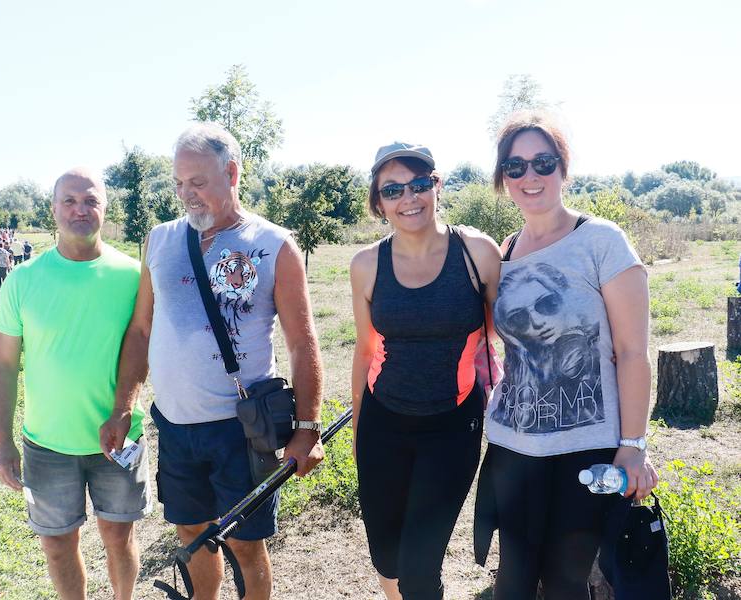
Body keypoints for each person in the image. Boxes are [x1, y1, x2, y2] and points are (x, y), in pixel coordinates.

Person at [110, 123, 324, 600]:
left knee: (246, 546)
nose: (187, 195)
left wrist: (308, 427)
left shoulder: (273, 245)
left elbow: (302, 341)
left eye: (198, 182)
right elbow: (141, 330)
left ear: (231, 173)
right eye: (179, 184)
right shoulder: (160, 240)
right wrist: (126, 405)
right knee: (191, 533)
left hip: (240, 430)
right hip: (176, 427)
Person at [475, 111, 658, 600]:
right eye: (515, 167)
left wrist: (633, 445)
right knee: (511, 583)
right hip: (513, 448)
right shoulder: (504, 254)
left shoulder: (602, 241)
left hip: (587, 450)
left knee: (564, 583)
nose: (529, 176)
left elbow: (632, 353)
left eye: (543, 162)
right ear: (502, 178)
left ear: (563, 168)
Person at [0, 167, 150, 600]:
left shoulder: (134, 276)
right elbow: (3, 366)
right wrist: (3, 442)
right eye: (70, 201)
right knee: (58, 545)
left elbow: (142, 348)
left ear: (105, 208)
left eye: (91, 200)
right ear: (54, 209)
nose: (80, 209)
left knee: (119, 539)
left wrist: (123, 410)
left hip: (118, 439)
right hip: (47, 444)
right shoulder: (23, 279)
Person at [350, 143, 501, 600]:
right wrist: (359, 431)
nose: (407, 198)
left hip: (452, 427)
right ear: (379, 203)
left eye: (418, 184)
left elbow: (503, 341)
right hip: (383, 423)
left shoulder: (478, 253)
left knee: (419, 568)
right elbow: (364, 350)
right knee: (387, 557)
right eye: (392, 190)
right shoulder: (366, 265)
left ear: (437, 185)